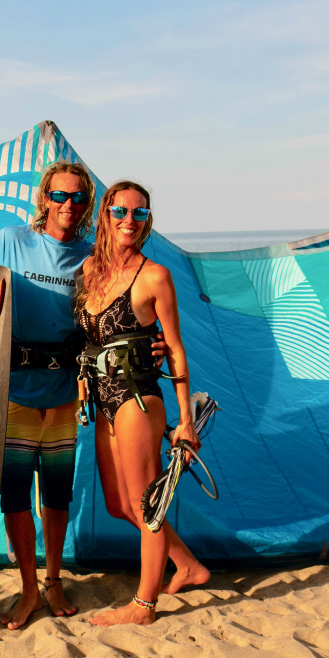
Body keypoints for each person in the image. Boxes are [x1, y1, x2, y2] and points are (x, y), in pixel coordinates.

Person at [0, 162, 91, 629]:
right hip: (14, 393)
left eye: (78, 198)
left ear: (87, 206)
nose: (68, 205)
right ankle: (29, 587)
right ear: (45, 198)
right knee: (15, 498)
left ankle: (52, 580)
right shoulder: (12, 240)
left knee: (58, 497)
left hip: (64, 395)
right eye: (60, 196)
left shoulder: (91, 258)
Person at [74, 180, 210, 627]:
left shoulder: (154, 276)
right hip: (102, 402)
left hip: (137, 398)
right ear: (105, 217)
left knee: (147, 505)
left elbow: (174, 347)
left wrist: (185, 420)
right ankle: (188, 566)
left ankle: (143, 605)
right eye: (120, 211)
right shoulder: (87, 273)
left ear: (147, 220)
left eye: (139, 213)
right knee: (119, 504)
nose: (129, 220)